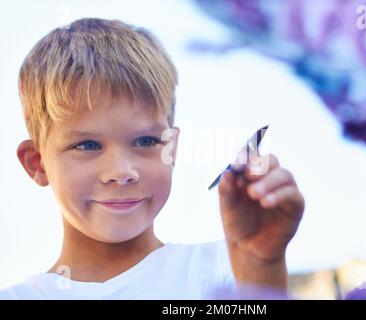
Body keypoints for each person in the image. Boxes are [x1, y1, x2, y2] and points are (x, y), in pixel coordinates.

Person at [0, 18, 305, 299]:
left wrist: (261, 267)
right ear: (36, 163)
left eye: (145, 141)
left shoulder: (224, 272)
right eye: (87, 145)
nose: (121, 172)